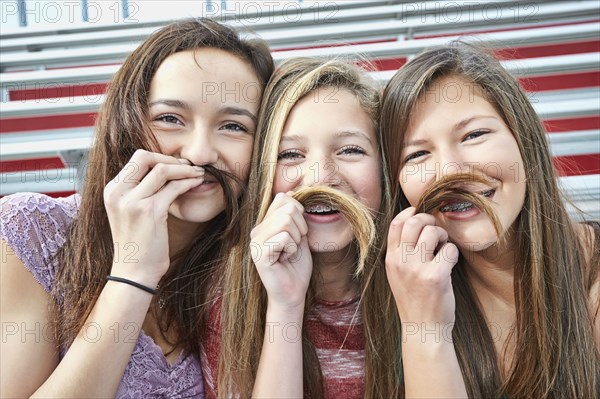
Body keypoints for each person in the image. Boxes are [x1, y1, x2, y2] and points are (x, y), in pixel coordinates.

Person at [1, 18, 273, 398]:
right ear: (126, 127)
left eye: (233, 126)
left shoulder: (253, 263)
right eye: (169, 119)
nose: (199, 153)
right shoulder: (33, 230)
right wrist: (133, 272)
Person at [381, 42, 600, 398]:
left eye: (474, 135)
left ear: (523, 138)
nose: (449, 171)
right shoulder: (400, 301)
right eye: (417, 154)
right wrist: (425, 327)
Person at [200, 58, 401, 399]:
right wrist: (285, 306)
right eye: (291, 154)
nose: (320, 177)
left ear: (383, 168)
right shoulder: (228, 301)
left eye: (351, 150)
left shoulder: (423, 282)